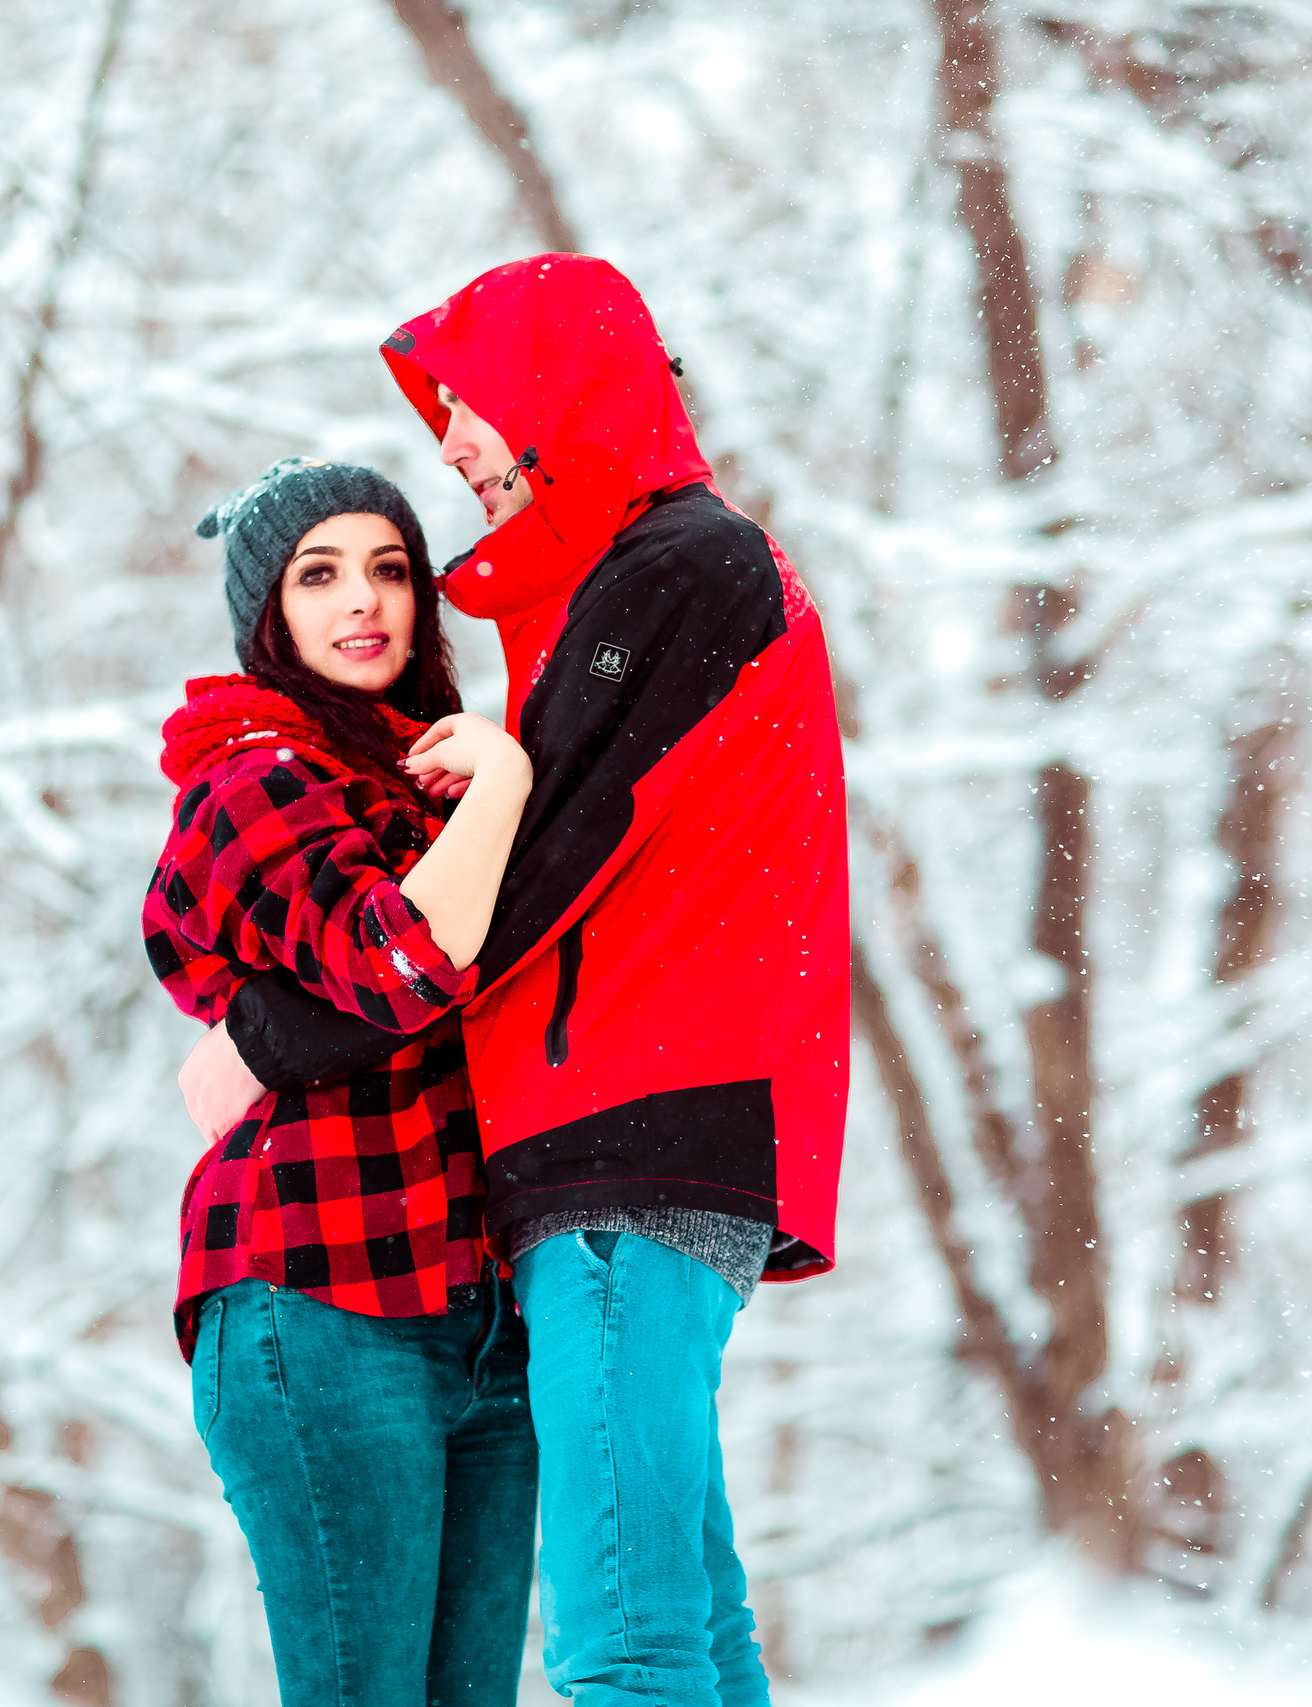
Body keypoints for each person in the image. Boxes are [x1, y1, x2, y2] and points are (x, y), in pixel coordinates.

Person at [184, 259, 852, 1707]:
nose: (458, 454)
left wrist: (265, 1040)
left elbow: (532, 868)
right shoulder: (272, 774)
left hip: (626, 1145)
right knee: (688, 1623)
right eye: (318, 572)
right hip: (491, 1215)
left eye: (469, 417)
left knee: (625, 1641)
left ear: (557, 391)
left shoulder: (678, 567)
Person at [141, 458, 541, 1707]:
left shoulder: (421, 785)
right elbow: (407, 959)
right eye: (319, 575)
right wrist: (514, 784)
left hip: (479, 1314)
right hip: (318, 1295)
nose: (362, 601)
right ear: (268, 613)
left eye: (388, 569)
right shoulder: (255, 777)